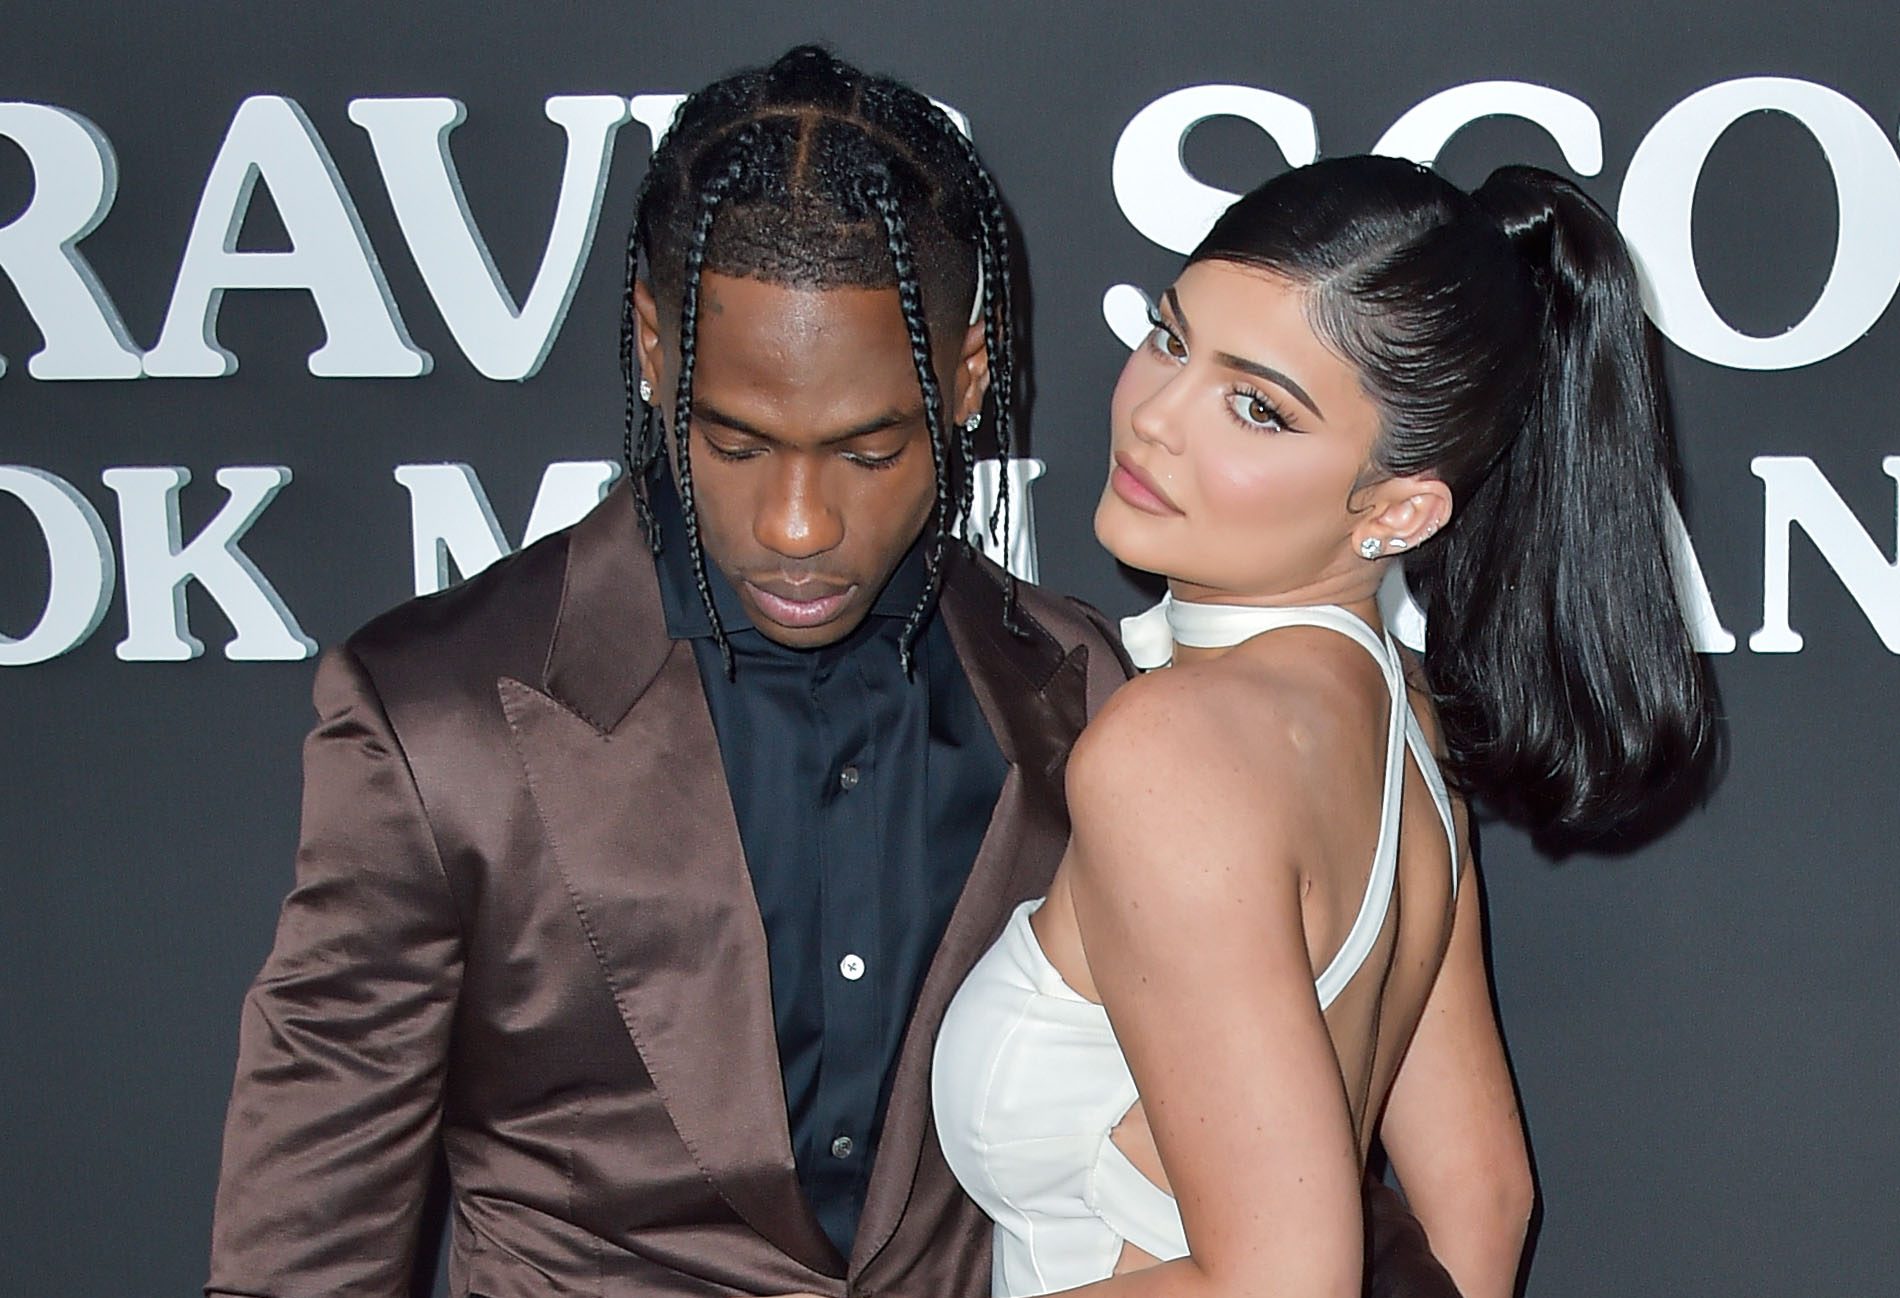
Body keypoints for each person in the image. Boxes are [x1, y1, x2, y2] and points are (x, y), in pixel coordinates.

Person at [203, 46, 1133, 1298]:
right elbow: (304, 1248)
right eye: (735, 444)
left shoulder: (1073, 684)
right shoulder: (437, 721)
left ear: (967, 375)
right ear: (653, 347)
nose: (796, 525)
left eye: (868, 453)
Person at [933, 155, 1716, 1298]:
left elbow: (1282, 1280)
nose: (1153, 416)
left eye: (1257, 407)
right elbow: (1481, 1198)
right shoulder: (1402, 716)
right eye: (1169, 339)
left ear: (1398, 507)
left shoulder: (1174, 752)